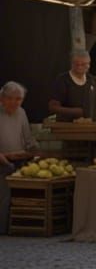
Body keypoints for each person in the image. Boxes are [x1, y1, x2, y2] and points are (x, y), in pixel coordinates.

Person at [0, 81, 36, 235]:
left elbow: (28, 140)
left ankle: (22, 227)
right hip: (2, 161)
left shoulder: (21, 112)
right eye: (10, 98)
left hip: (20, 159)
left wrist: (35, 151)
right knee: (4, 192)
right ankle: (3, 229)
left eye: (18, 99)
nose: (14, 102)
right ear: (2, 98)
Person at [48, 50, 96, 122]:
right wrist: (76, 112)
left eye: (83, 64)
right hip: (67, 125)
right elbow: (53, 107)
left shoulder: (93, 80)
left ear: (89, 65)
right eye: (77, 64)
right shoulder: (63, 80)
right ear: (71, 64)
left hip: (91, 124)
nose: (80, 67)